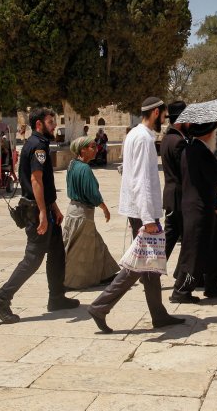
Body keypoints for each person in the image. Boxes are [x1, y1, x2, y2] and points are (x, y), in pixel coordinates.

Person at [87, 97, 183, 333]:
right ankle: (100, 305)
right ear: (156, 112)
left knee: (149, 265)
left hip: (141, 210)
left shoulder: (136, 135)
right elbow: (140, 179)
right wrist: (148, 219)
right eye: (163, 116)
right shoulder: (141, 138)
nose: (164, 120)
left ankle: (158, 314)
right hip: (143, 212)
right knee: (139, 264)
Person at [0, 108, 78, 324]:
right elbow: (36, 181)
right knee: (32, 259)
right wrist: (44, 214)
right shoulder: (37, 146)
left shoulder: (39, 143)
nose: (54, 125)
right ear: (39, 124)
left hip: (44, 207)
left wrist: (53, 207)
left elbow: (45, 183)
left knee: (57, 252)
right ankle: (1, 300)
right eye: (50, 122)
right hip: (36, 210)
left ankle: (56, 297)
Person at [171, 121, 217, 302]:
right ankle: (181, 290)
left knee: (210, 248)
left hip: (198, 206)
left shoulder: (192, 149)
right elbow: (215, 178)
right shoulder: (201, 152)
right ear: (209, 133)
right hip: (198, 209)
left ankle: (212, 285)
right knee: (194, 252)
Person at [62, 136, 119, 289]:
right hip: (82, 213)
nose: (96, 150)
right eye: (92, 147)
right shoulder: (84, 169)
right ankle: (71, 281)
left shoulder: (72, 164)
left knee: (96, 244)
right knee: (79, 251)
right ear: (83, 150)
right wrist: (105, 208)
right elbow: (92, 193)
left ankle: (106, 274)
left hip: (73, 210)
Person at [160, 101, 189, 260]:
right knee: (181, 237)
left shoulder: (168, 138)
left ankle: (152, 273)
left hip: (173, 196)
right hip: (179, 197)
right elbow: (184, 172)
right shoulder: (178, 142)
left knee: (171, 236)